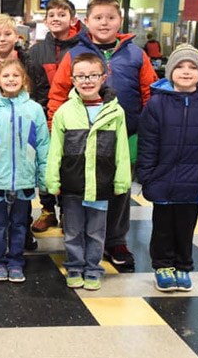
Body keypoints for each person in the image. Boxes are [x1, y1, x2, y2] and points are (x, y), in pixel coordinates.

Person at [48, 0, 157, 272]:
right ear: (87, 22)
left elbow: (150, 93)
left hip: (124, 136)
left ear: (120, 20)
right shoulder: (73, 54)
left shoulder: (136, 54)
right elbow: (58, 95)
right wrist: (54, 131)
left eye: (110, 17)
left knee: (119, 189)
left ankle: (116, 241)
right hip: (77, 138)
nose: (104, 22)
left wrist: (148, 131)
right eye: (98, 17)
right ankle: (79, 239)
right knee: (77, 188)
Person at [137, 45, 198, 292]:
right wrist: (146, 175)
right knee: (162, 226)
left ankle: (183, 266)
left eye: (192, 67)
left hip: (194, 181)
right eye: (180, 66)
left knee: (185, 226)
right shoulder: (156, 105)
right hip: (163, 179)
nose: (186, 71)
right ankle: (162, 266)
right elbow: (147, 143)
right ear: (170, 72)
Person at [46, 53, 131, 291]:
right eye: (81, 76)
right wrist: (52, 180)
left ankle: (93, 268)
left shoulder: (115, 112)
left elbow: (122, 150)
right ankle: (74, 265)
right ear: (72, 79)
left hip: (101, 184)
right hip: (72, 185)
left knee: (96, 231)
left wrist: (121, 180)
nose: (87, 81)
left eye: (93, 75)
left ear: (103, 77)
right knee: (72, 230)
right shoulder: (64, 111)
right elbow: (56, 150)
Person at [0, 59, 49, 283]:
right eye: (6, 76)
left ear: (23, 80)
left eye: (16, 76)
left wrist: (43, 177)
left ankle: (16, 261)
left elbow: (43, 144)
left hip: (24, 179)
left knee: (20, 224)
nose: (11, 80)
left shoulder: (34, 110)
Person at [25, 0, 85, 233]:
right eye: (52, 15)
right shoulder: (36, 51)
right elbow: (29, 85)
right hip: (43, 115)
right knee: (45, 164)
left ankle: (70, 212)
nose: (56, 18)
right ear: (46, 20)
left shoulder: (83, 49)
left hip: (75, 118)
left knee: (71, 164)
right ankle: (48, 210)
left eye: (62, 14)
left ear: (73, 19)